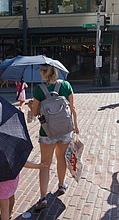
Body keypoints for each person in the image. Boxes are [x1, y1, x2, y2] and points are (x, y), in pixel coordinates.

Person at [28, 64, 79, 211]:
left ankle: (43, 197)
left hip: (47, 132)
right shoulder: (66, 85)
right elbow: (72, 108)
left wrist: (31, 105)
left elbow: (36, 113)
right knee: (61, 157)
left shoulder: (39, 89)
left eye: (40, 70)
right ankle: (61, 185)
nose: (38, 72)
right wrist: (76, 126)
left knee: (45, 163)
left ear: (44, 72)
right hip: (65, 130)